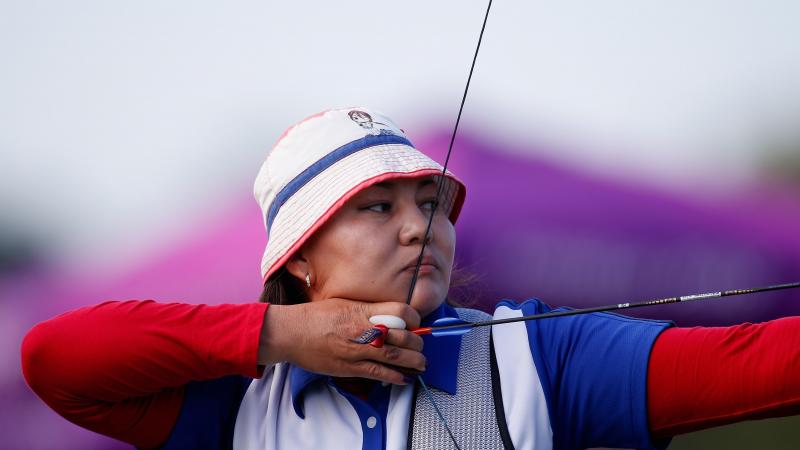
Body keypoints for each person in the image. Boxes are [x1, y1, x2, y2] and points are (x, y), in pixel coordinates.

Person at [20, 107, 800, 450]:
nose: (419, 225)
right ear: (298, 253)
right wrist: (288, 334)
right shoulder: (234, 405)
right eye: (376, 206)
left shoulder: (538, 358)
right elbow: (55, 359)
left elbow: (758, 364)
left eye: (432, 203)